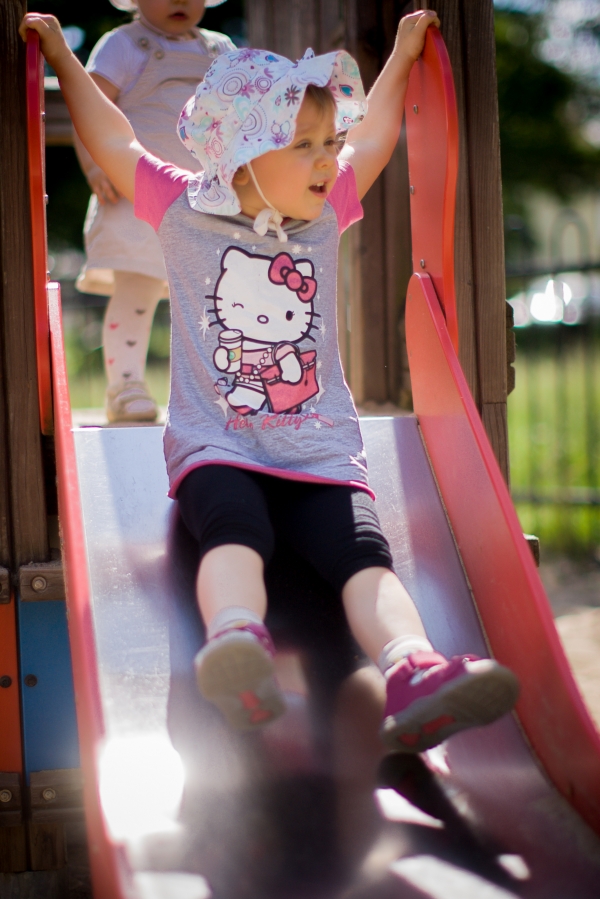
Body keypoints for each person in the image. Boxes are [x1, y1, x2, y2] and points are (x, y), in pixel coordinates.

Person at [21, 9, 520, 753]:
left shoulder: (323, 215)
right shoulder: (182, 208)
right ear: (243, 156)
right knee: (235, 532)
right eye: (305, 145)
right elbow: (116, 141)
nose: (330, 159)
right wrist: (64, 57)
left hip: (321, 454)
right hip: (218, 447)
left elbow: (376, 137)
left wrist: (402, 55)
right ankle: (236, 643)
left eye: (329, 143)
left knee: (364, 555)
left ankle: (411, 666)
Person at [74, 0, 235, 423]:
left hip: (205, 196)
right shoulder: (123, 45)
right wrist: (95, 166)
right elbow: (89, 108)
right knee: (137, 288)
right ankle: (125, 386)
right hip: (134, 190)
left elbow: (242, 114)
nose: (180, 0)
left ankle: (218, 391)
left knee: (218, 298)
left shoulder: (220, 49)